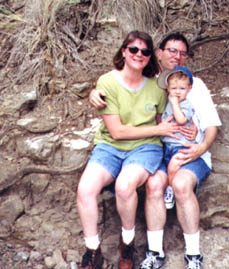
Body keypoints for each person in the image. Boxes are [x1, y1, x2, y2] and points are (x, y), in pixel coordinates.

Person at [89, 32, 221, 269]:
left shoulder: (194, 84)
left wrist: (200, 147)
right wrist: (94, 93)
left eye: (182, 52)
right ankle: (155, 253)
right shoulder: (152, 82)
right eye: (171, 50)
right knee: (153, 185)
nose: (177, 56)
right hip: (161, 151)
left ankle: (193, 256)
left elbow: (212, 125)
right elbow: (121, 84)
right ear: (158, 53)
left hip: (191, 151)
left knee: (180, 185)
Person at [77, 30, 180, 269]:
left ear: (150, 56)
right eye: (133, 49)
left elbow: (164, 116)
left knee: (125, 187)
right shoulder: (107, 82)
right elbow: (117, 132)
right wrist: (158, 130)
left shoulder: (156, 86)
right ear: (124, 51)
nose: (139, 54)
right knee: (85, 190)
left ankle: (128, 245)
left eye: (144, 51)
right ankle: (92, 251)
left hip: (145, 148)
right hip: (110, 146)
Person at [157, 66, 196, 210]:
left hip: (180, 145)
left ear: (189, 89)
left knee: (173, 165)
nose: (177, 92)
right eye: (174, 89)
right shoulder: (168, 103)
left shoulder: (186, 104)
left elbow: (180, 120)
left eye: (182, 88)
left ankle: (170, 188)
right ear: (168, 89)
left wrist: (174, 103)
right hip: (167, 144)